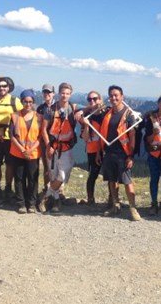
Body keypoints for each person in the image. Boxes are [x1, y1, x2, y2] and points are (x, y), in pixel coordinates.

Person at [96, 85, 141, 221]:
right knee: (112, 179)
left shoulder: (129, 115)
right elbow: (101, 134)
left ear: (122, 97)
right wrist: (99, 152)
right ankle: (115, 205)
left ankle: (133, 208)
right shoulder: (107, 113)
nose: (114, 98)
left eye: (116, 95)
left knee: (127, 181)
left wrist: (131, 156)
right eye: (111, 96)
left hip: (123, 153)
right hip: (109, 152)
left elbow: (132, 137)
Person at [40, 82, 80, 213]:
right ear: (58, 93)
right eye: (63, 93)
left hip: (66, 147)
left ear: (70, 94)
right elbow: (44, 130)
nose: (65, 95)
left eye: (67, 93)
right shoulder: (50, 109)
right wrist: (48, 146)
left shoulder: (73, 108)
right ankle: (56, 201)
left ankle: (45, 197)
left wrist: (82, 112)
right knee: (53, 174)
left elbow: (89, 108)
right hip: (53, 147)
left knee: (62, 175)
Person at [10, 90, 42, 214]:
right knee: (19, 178)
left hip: (33, 153)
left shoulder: (39, 117)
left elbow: (40, 137)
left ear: (33, 102)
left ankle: (32, 204)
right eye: (25, 101)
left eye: (30, 102)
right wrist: (23, 150)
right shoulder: (15, 116)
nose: (28, 104)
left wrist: (30, 150)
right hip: (18, 152)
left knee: (33, 178)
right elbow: (12, 135)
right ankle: (21, 203)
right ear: (22, 101)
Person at [80, 90, 107, 206]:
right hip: (92, 149)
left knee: (110, 175)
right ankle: (90, 198)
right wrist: (86, 125)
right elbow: (85, 138)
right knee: (93, 174)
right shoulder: (86, 117)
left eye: (95, 98)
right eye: (89, 99)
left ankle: (112, 199)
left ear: (100, 100)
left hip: (106, 149)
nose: (92, 101)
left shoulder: (106, 114)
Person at [36, 83, 55, 209]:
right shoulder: (40, 108)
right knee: (47, 167)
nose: (46, 94)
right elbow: (38, 126)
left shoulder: (58, 106)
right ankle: (47, 188)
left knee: (57, 167)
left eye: (49, 92)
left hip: (58, 142)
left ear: (53, 93)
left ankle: (57, 191)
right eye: (44, 92)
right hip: (44, 142)